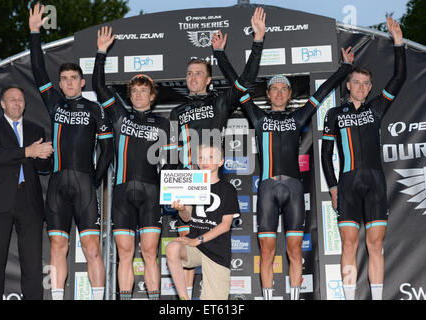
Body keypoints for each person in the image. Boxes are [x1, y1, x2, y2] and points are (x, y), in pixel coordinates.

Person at [216, 29, 355, 299]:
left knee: (293, 251)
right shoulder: (256, 116)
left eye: (284, 89)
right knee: (266, 252)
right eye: (274, 89)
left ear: (289, 94)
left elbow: (324, 90)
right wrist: (220, 55)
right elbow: (238, 87)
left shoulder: (300, 116)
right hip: (267, 190)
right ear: (268, 94)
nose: (279, 93)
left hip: (293, 190)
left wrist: (344, 69)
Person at [168, 7, 266, 297]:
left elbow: (245, 82)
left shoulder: (220, 102)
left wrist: (256, 42)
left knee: (210, 241)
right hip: (187, 181)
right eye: (189, 74)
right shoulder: (177, 111)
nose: (193, 77)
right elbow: (172, 153)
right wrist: (170, 186)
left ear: (209, 79)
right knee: (181, 244)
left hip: (211, 179)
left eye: (199, 73)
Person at [29, 4, 114, 300]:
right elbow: (38, 68)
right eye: (63, 78)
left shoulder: (95, 109)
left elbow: (108, 149)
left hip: (84, 184)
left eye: (72, 78)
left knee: (92, 249)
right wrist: (35, 32)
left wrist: (95, 179)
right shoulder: (54, 103)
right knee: (57, 247)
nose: (67, 82)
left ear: (81, 82)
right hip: (56, 184)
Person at [321, 17, 406, 300]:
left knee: (375, 244)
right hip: (347, 184)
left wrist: (398, 42)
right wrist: (332, 187)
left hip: (375, 183)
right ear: (348, 86)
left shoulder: (377, 108)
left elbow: (400, 77)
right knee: (348, 245)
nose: (360, 86)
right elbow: (325, 153)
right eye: (355, 82)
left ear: (370, 88)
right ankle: (348, 297)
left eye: (365, 83)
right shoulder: (334, 115)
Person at [92, 26, 174, 300]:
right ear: (130, 95)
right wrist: (101, 53)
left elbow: (172, 163)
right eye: (135, 91)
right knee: (125, 254)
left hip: (152, 193)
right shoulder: (119, 116)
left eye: (144, 91)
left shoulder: (163, 123)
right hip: (123, 193)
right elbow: (98, 86)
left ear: (152, 95)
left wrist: (176, 194)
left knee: (150, 253)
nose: (139, 95)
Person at [0, 85, 53, 300]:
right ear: (3, 104)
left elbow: (43, 168)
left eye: (21, 99)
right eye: (12, 99)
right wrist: (28, 152)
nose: (17, 103)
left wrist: (44, 158)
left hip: (28, 201)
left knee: (32, 263)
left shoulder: (35, 130)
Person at [166, 144, 240, 300]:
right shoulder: (193, 184)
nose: (205, 161)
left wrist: (197, 240)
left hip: (217, 251)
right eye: (201, 157)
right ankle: (183, 297)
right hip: (195, 247)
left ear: (221, 162)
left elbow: (225, 225)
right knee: (172, 247)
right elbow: (188, 217)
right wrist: (181, 209)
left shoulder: (228, 189)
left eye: (210, 157)